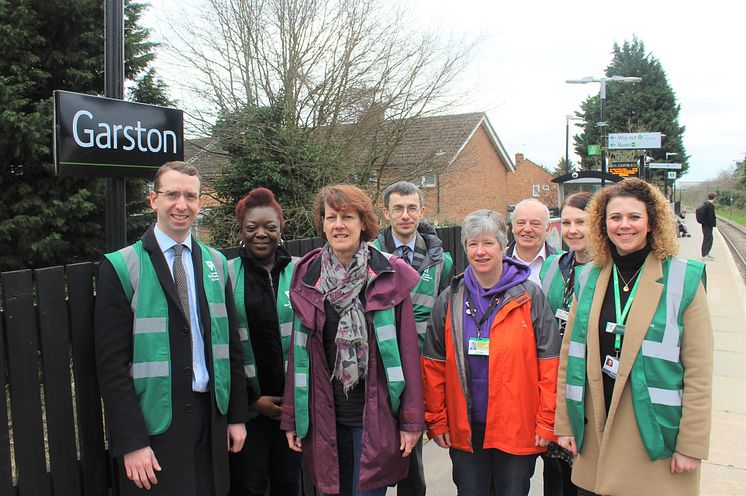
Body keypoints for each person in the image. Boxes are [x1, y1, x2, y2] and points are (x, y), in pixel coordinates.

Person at [95, 161, 248, 496]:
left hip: (212, 418)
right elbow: (111, 367)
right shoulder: (122, 266)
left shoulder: (217, 263)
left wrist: (235, 416)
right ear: (153, 200)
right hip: (156, 424)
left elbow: (230, 346)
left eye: (190, 196)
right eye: (172, 195)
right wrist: (132, 442)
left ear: (200, 203)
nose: (182, 205)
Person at [555, 178, 713, 496]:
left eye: (634, 217)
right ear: (603, 224)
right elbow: (568, 357)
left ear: (652, 221)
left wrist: (691, 444)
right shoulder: (588, 277)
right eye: (615, 218)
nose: (624, 225)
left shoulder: (683, 278)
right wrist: (565, 423)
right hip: (595, 431)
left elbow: (699, 372)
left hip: (656, 438)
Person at [280, 184, 424, 496]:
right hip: (324, 417)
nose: (339, 225)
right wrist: (291, 416)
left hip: (375, 417)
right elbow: (298, 353)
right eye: (331, 217)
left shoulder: (389, 273)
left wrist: (411, 421)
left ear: (363, 222)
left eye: (347, 217)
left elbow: (409, 353)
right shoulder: (307, 273)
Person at [422, 209, 561, 496]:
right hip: (466, 428)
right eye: (473, 244)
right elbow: (433, 364)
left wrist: (547, 421)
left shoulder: (529, 296)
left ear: (502, 245)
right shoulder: (450, 298)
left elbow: (550, 365)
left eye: (488, 243)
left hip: (517, 425)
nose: (480, 251)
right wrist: (436, 419)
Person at [374, 181, 454, 496]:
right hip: (381, 365)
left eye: (411, 208)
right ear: (386, 213)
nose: (405, 215)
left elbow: (445, 317)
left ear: (422, 211)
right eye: (398, 208)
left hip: (422, 367)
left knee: (412, 454)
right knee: (378, 448)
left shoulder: (443, 261)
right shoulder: (370, 257)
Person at [226, 188, 301, 496]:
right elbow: (224, 347)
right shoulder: (227, 275)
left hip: (294, 411)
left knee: (288, 484)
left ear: (280, 229)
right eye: (251, 227)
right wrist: (251, 400)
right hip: (249, 412)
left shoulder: (301, 271)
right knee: (249, 486)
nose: (261, 234)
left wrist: (296, 401)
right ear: (241, 230)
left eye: (270, 227)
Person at [538, 192, 593, 496]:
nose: (572, 230)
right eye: (567, 222)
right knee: (554, 474)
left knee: (582, 471)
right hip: (553, 382)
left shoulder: (606, 269)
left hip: (587, 386)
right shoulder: (552, 266)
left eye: (581, 222)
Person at [506, 198, 559, 285]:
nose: (527, 229)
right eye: (521, 223)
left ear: (548, 228)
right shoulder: (498, 261)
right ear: (513, 227)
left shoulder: (563, 263)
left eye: (535, 223)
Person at [699, 193, 716, 260]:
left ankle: (706, 253)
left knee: (708, 238)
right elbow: (711, 217)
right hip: (708, 225)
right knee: (708, 239)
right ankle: (704, 254)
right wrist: (713, 224)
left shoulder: (705, 204)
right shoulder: (710, 206)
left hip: (705, 225)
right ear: (714, 198)